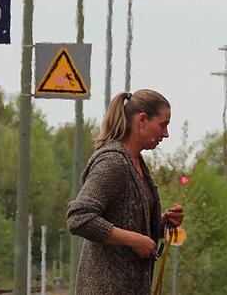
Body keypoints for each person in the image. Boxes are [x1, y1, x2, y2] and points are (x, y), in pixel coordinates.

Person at [67, 89, 185, 295]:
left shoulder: (136, 162)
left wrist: (163, 221)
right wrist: (134, 240)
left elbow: (127, 221)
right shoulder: (113, 162)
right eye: (163, 125)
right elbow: (79, 218)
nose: (165, 134)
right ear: (142, 120)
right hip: (105, 288)